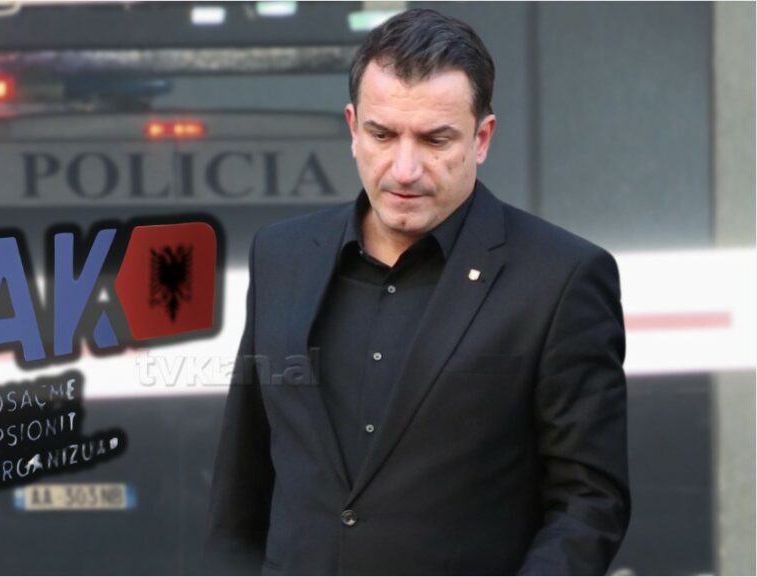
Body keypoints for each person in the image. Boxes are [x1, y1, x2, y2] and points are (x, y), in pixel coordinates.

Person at [207, 8, 631, 575]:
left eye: (435, 139)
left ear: (482, 138)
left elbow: (588, 503)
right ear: (353, 128)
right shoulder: (280, 255)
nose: (404, 169)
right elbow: (242, 484)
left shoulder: (562, 278)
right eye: (382, 134)